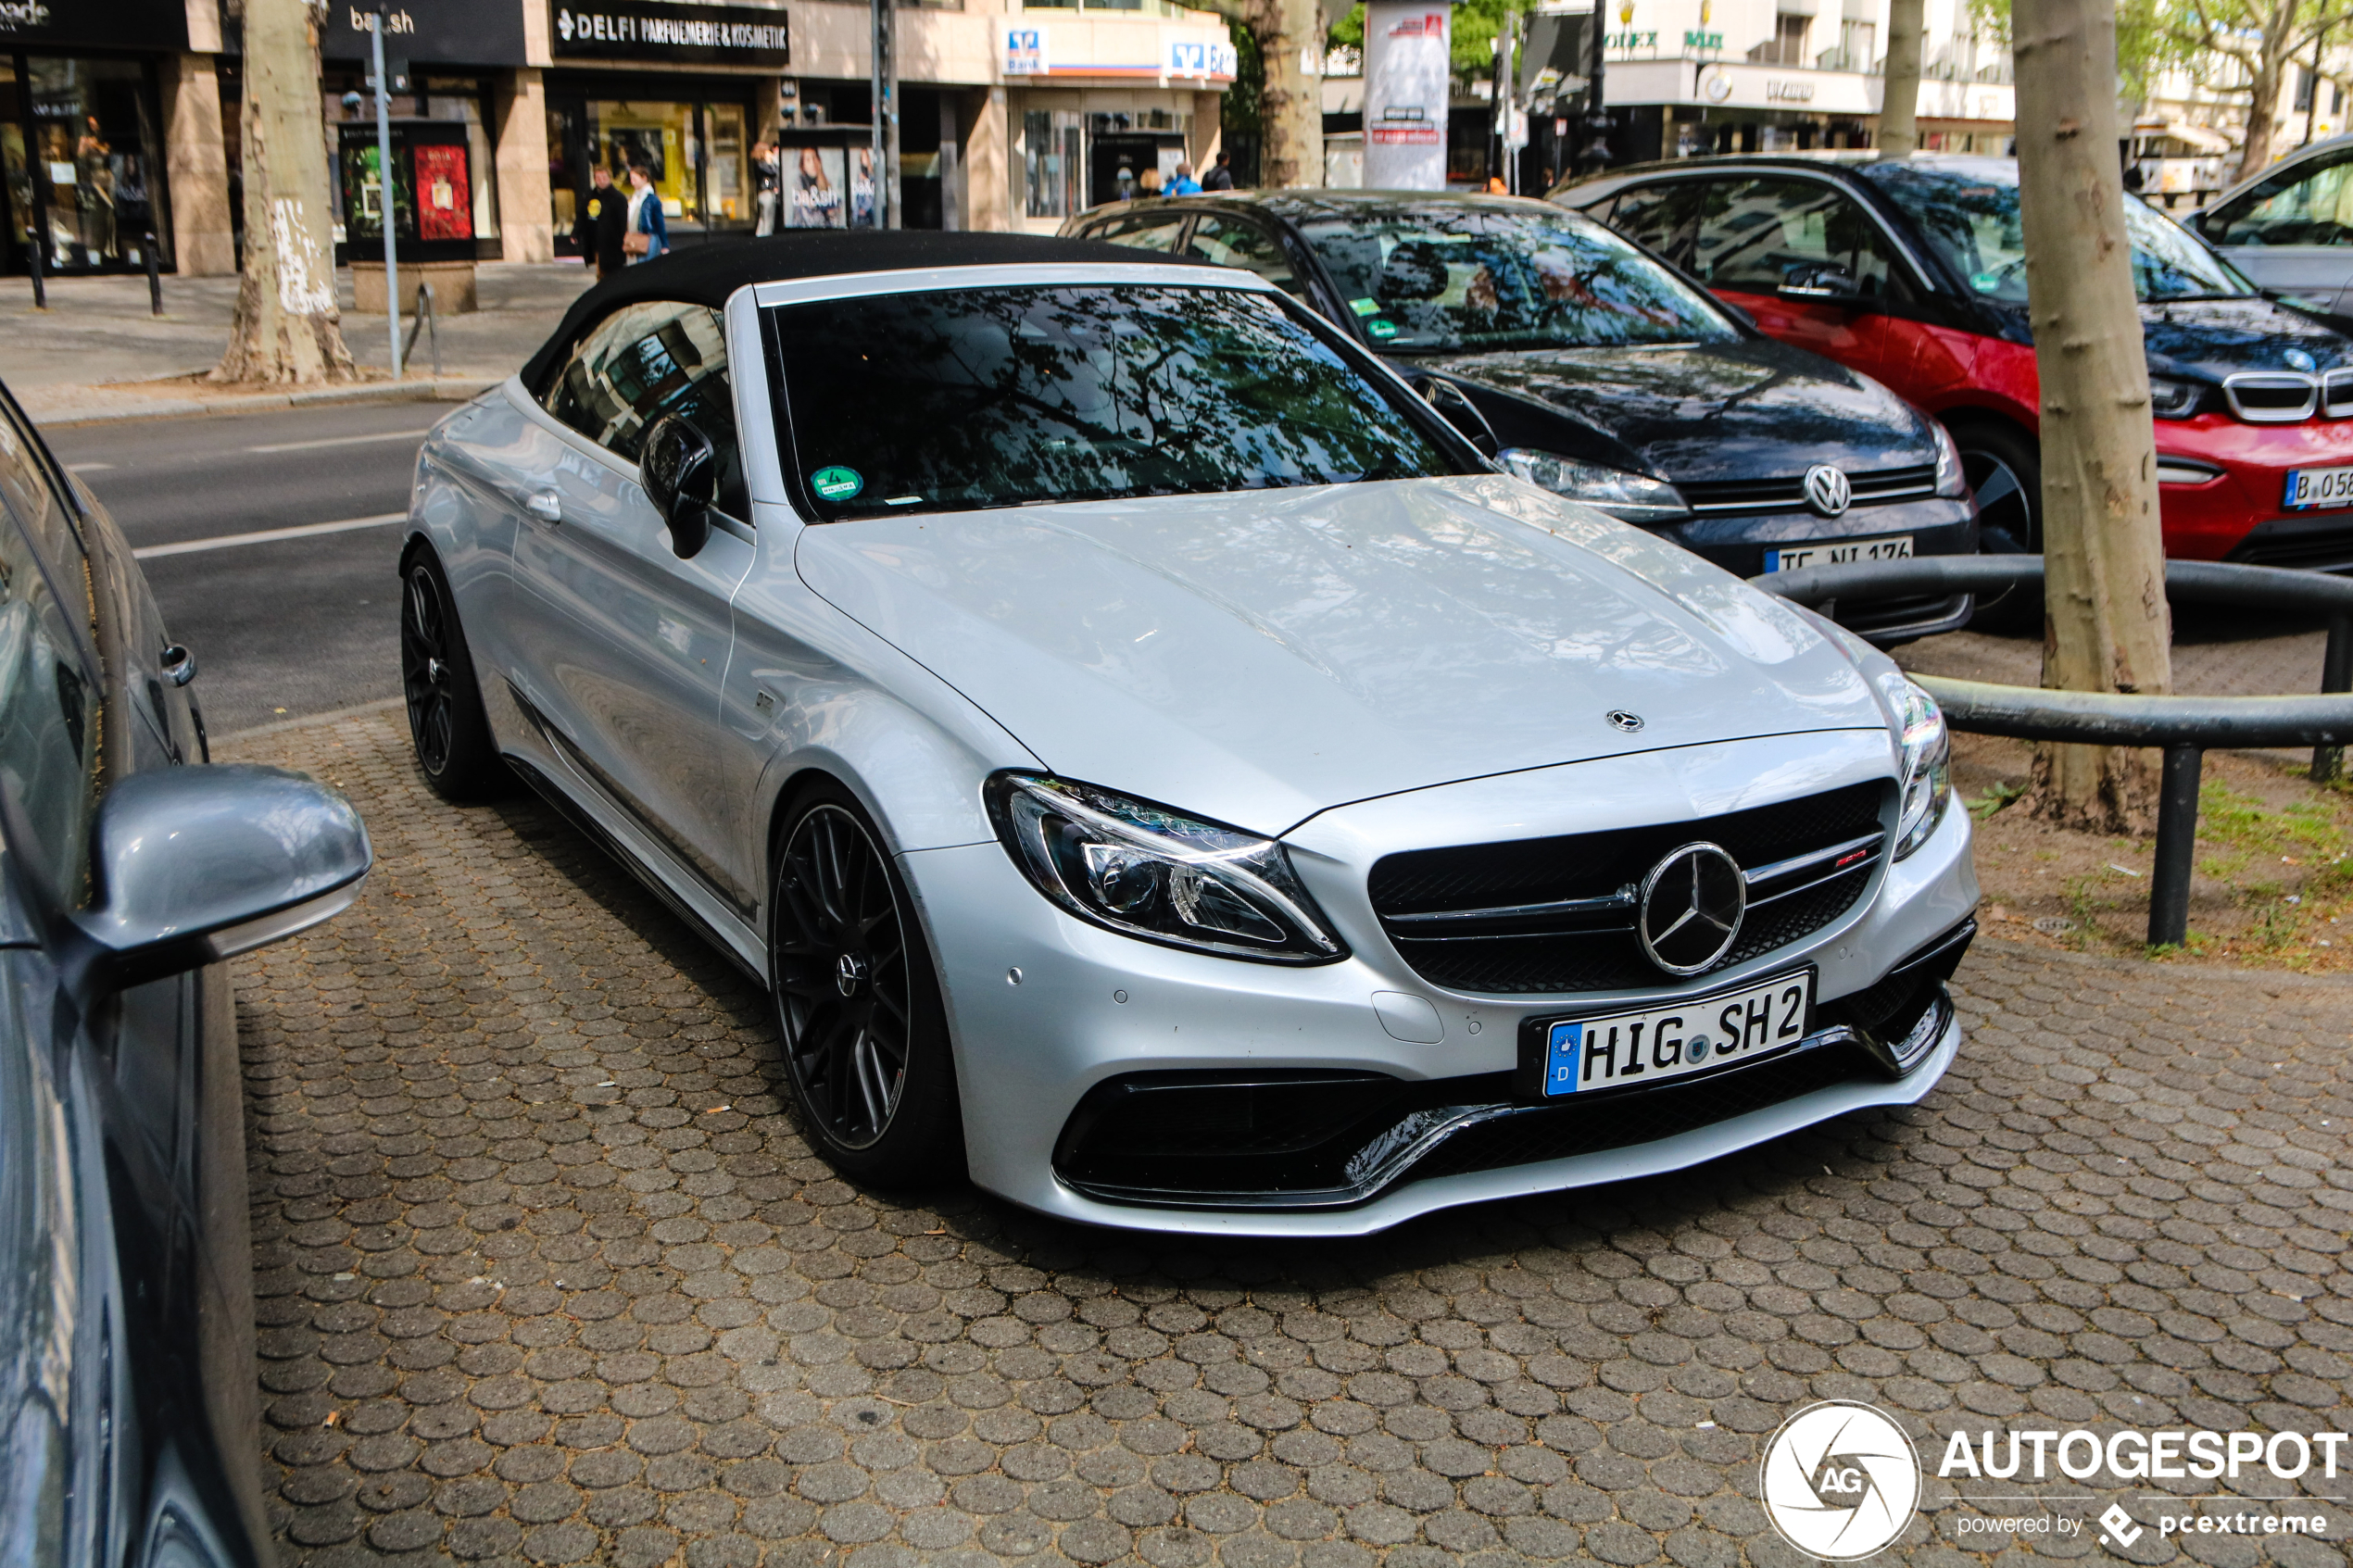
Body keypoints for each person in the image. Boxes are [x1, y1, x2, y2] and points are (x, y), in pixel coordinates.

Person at [573, 165, 626, 280]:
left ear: (610, 178)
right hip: (596, 241)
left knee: (612, 273)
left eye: (604, 177)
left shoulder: (618, 198)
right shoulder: (590, 197)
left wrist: (623, 240)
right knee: (601, 271)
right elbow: (582, 215)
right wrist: (576, 232)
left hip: (613, 242)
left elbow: (622, 222)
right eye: (598, 178)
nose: (601, 181)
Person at [624, 161, 668, 262]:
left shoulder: (651, 199)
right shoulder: (635, 198)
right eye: (631, 179)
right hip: (638, 237)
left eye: (634, 178)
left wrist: (665, 244)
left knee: (646, 266)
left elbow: (659, 222)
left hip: (649, 237)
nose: (632, 182)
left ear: (644, 178)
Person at [753, 140, 781, 234]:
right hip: (767, 194)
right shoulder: (762, 164)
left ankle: (760, 236)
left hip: (762, 193)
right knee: (768, 219)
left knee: (763, 218)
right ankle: (766, 238)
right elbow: (773, 171)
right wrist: (770, 161)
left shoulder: (758, 163)